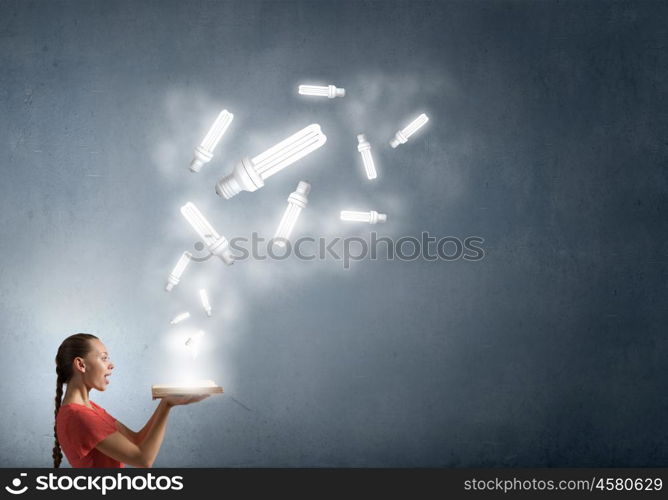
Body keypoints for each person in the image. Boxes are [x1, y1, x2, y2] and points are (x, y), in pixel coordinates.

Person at [53, 333, 208, 468]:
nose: (111, 365)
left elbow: (136, 440)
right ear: (81, 364)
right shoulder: (79, 416)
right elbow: (143, 460)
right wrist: (167, 404)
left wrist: (166, 403)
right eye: (104, 358)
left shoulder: (90, 408)